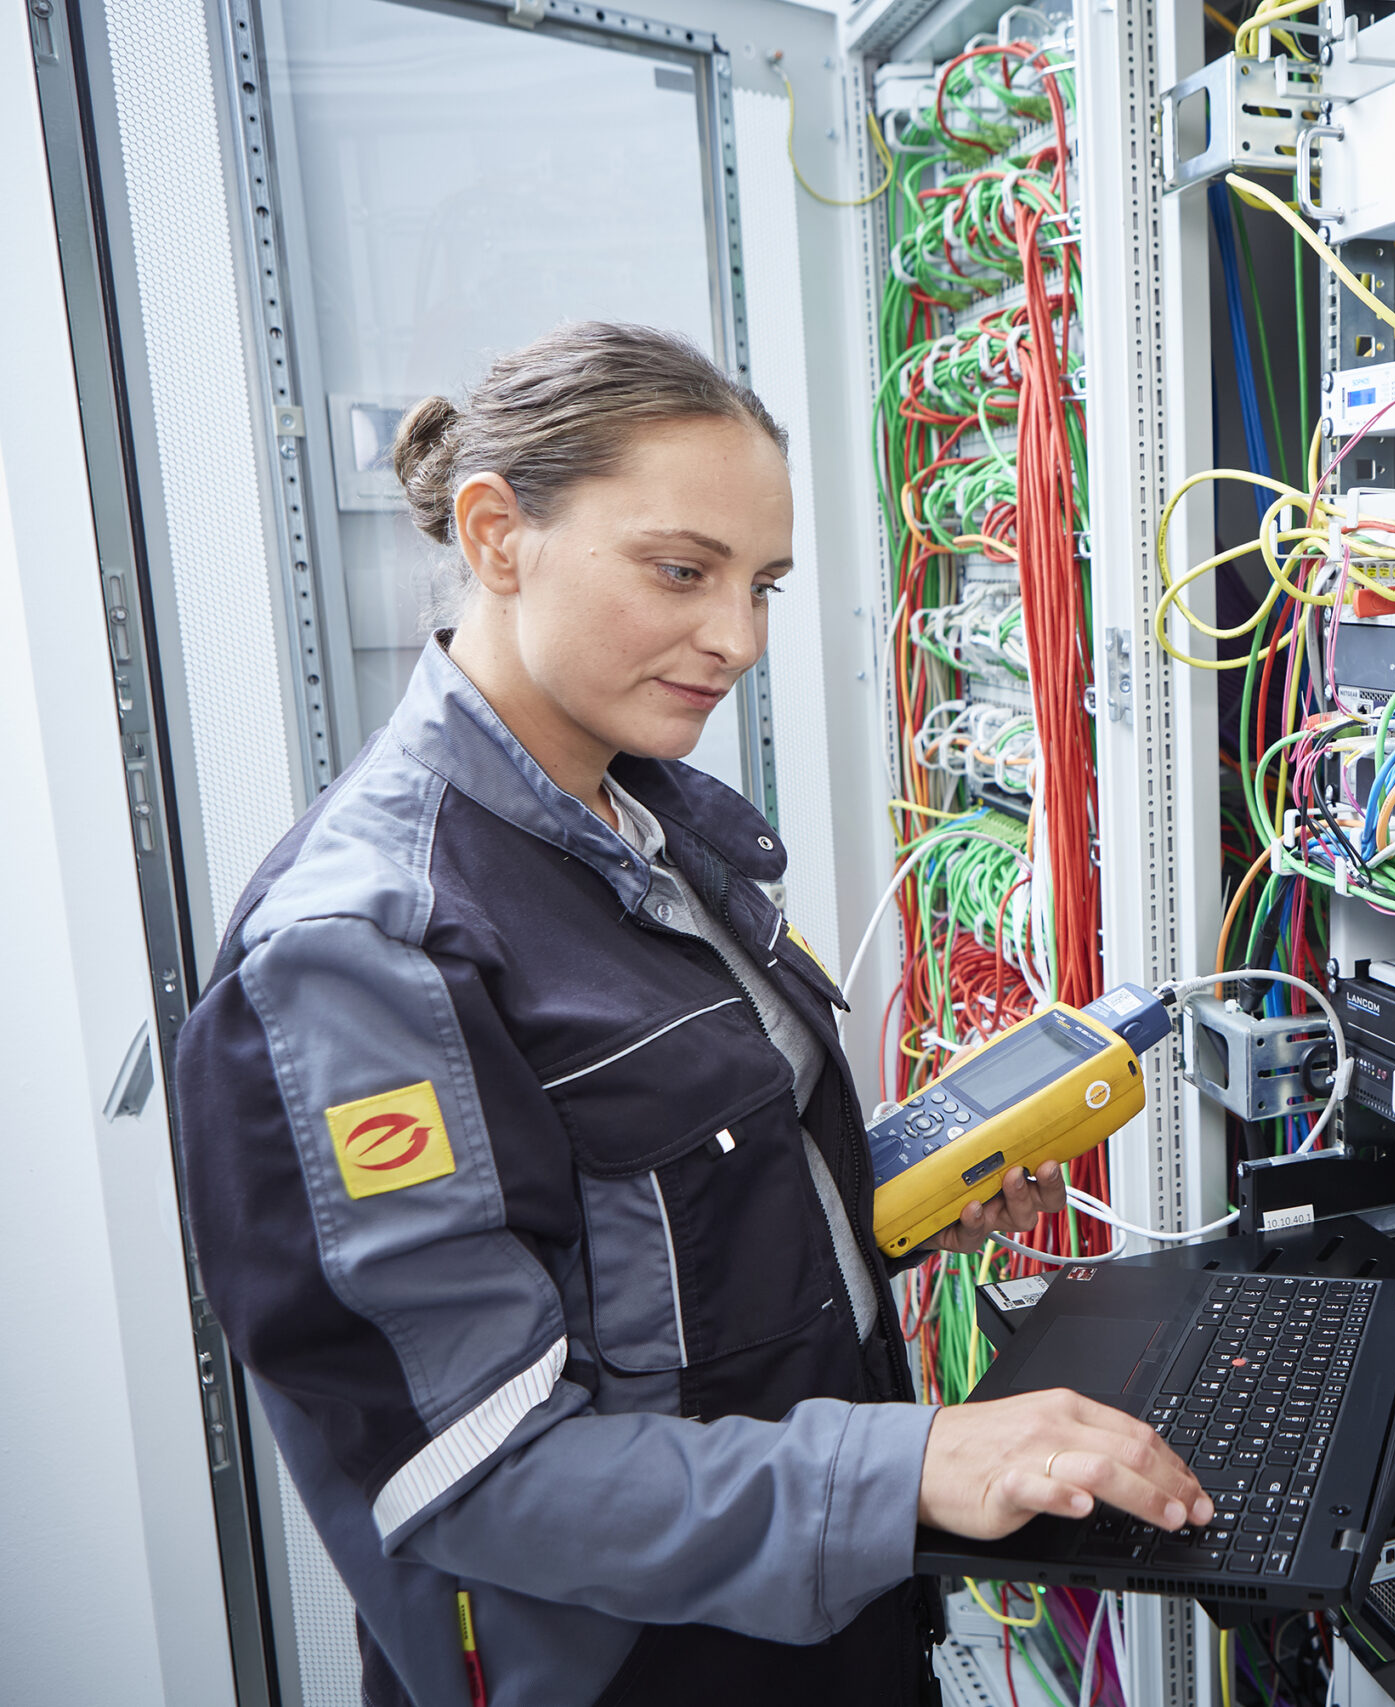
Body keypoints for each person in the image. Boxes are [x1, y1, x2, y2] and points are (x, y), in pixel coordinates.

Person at [172, 322, 1209, 1707]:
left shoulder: (643, 825)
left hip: (814, 1610)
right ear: (496, 536)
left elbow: (638, 1238)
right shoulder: (364, 958)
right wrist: (917, 1462)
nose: (736, 639)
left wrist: (857, 1200)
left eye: (764, 584)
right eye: (681, 571)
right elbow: (488, 1474)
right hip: (635, 1666)